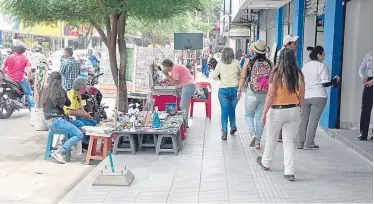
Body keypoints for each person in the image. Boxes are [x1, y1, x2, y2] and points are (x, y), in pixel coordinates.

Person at [256, 48, 305, 182]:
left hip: (277, 111)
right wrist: (299, 109)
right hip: (293, 110)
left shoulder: (277, 73)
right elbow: (301, 95)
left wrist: (264, 112)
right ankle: (289, 172)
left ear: (280, 59)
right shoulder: (298, 73)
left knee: (271, 138)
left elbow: (271, 95)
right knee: (289, 142)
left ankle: (265, 163)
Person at [298, 46, 340, 149]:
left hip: (306, 96)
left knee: (304, 120)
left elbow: (301, 82)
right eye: (323, 54)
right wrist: (335, 80)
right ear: (319, 55)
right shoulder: (322, 66)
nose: (324, 56)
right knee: (313, 121)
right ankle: (309, 143)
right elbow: (325, 83)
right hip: (318, 96)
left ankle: (300, 143)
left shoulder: (305, 66)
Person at [42, 72, 84, 164]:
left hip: (47, 121)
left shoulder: (46, 91)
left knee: (79, 124)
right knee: (79, 134)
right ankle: (59, 151)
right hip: (57, 121)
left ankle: (66, 143)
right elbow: (68, 104)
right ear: (61, 81)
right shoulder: (61, 92)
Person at [238, 40, 273, 149]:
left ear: (254, 51)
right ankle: (258, 141)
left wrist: (239, 90)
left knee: (248, 114)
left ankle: (252, 134)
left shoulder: (248, 62)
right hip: (265, 94)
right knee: (260, 117)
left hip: (252, 92)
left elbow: (243, 77)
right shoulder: (270, 63)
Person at [212, 47, 240, 140]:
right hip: (234, 89)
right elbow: (240, 74)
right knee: (232, 109)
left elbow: (214, 76)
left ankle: (224, 132)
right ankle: (233, 127)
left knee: (224, 111)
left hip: (223, 90)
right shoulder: (236, 62)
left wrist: (221, 79)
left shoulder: (220, 63)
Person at [276, 35, 299, 142]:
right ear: (287, 45)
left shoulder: (290, 54)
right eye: (294, 43)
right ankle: (281, 134)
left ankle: (283, 134)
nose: (296, 45)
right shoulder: (283, 55)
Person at [1, 39, 35, 110]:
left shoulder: (8, 57)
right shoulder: (25, 58)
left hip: (9, 79)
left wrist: (7, 74)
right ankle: (33, 110)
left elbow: (2, 69)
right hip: (19, 80)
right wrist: (28, 79)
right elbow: (29, 71)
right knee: (29, 93)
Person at [162, 59, 196, 128]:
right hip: (187, 86)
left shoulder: (175, 68)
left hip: (188, 86)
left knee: (182, 105)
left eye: (164, 67)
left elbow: (175, 82)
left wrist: (166, 74)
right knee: (184, 105)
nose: (164, 69)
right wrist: (167, 78)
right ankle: (185, 123)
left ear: (167, 66)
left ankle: (185, 123)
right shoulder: (175, 68)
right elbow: (173, 79)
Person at [64, 78, 96, 149]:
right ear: (81, 88)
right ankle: (84, 142)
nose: (85, 90)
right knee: (85, 124)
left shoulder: (78, 95)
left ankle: (86, 142)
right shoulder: (71, 94)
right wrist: (84, 115)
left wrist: (87, 115)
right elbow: (70, 112)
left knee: (93, 122)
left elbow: (81, 108)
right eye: (85, 88)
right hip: (67, 118)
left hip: (77, 116)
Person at [358, 51, 373, 141]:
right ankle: (363, 132)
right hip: (368, 81)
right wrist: (362, 77)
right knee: (365, 107)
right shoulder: (368, 55)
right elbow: (362, 68)